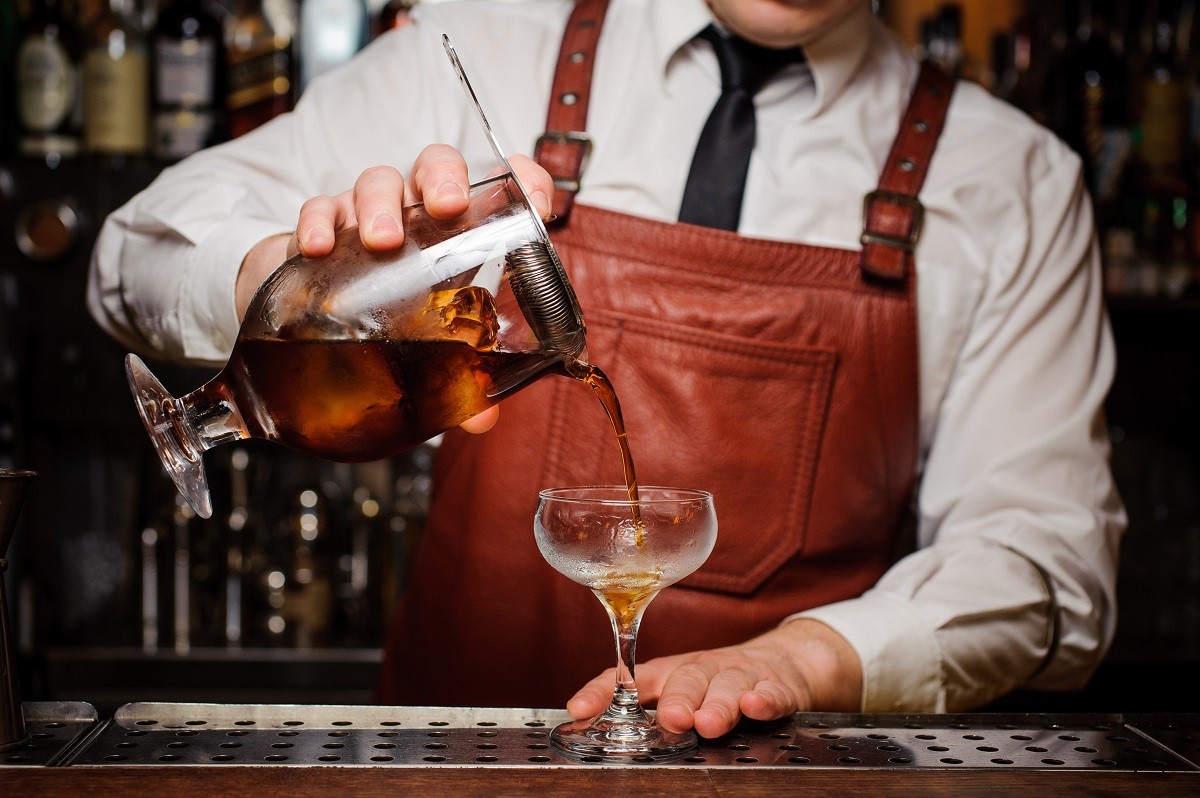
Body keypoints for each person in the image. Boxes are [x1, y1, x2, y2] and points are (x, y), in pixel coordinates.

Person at [88, 0, 1125, 739]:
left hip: (780, 777)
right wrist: (275, 278)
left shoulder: (1016, 181)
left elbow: (1044, 562)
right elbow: (133, 249)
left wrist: (804, 660)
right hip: (450, 767)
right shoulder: (482, 39)